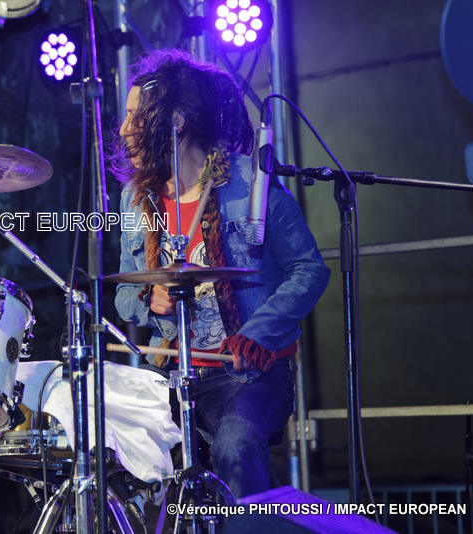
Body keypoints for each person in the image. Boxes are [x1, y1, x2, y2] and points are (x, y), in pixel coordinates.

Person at [112, 49, 330, 498]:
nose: (122, 129)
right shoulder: (135, 198)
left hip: (250, 375)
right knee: (126, 448)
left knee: (234, 441)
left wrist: (258, 334)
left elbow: (309, 269)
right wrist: (149, 299)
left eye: (135, 115)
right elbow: (123, 295)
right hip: (176, 372)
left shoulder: (250, 183)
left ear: (175, 122)